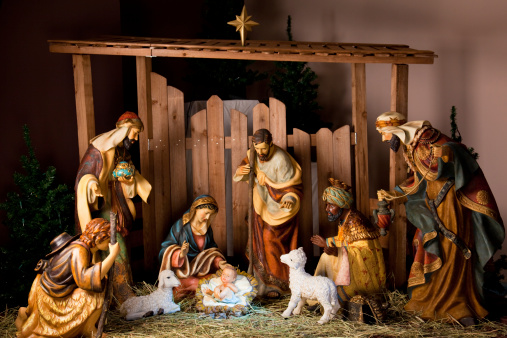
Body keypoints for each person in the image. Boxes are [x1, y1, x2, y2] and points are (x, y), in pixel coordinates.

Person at [375, 111, 504, 325]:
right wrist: (395, 193)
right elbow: (419, 180)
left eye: (384, 134)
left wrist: (445, 156)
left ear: (395, 130)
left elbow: (454, 153)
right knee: (426, 246)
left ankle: (455, 304)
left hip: (450, 205)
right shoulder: (414, 145)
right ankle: (431, 300)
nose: (384, 139)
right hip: (433, 204)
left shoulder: (428, 138)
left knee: (451, 250)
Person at [74, 111, 152, 304]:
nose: (135, 138)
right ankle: (121, 294)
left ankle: (119, 294)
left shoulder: (122, 152)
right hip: (101, 207)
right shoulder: (99, 148)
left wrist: (128, 179)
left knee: (118, 246)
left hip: (116, 204)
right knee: (115, 246)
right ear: (122, 130)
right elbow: (85, 173)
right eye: (133, 132)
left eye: (137, 134)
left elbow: (126, 176)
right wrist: (92, 184)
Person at [15, 218, 120, 338]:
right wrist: (112, 256)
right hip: (52, 296)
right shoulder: (79, 250)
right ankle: (88, 330)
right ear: (98, 238)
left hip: (51, 289)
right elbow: (86, 281)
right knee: (96, 290)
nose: (110, 243)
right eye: (108, 239)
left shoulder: (82, 246)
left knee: (101, 280)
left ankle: (26, 314)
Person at [233, 128, 303, 298]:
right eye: (257, 149)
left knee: (269, 239)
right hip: (261, 206)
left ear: (271, 144)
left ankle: (279, 285)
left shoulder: (281, 160)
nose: (260, 153)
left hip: (280, 210)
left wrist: (290, 198)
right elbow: (244, 168)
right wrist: (241, 171)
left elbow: (291, 187)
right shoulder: (254, 154)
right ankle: (262, 283)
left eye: (263, 149)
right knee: (258, 243)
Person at [310, 178, 386, 306]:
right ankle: (316, 294)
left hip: (362, 274)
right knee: (325, 256)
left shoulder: (354, 220)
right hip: (348, 263)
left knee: (335, 296)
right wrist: (328, 244)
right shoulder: (344, 219)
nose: (327, 209)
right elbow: (344, 240)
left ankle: (323, 299)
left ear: (342, 205)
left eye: (331, 205)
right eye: (327, 205)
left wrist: (338, 251)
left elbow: (364, 252)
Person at [159, 195, 226, 295]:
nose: (207, 217)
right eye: (206, 213)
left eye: (210, 215)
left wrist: (219, 262)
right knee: (194, 282)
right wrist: (180, 254)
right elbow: (164, 250)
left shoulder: (207, 229)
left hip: (201, 271)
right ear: (196, 209)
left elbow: (211, 251)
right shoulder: (180, 227)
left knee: (219, 279)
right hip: (183, 272)